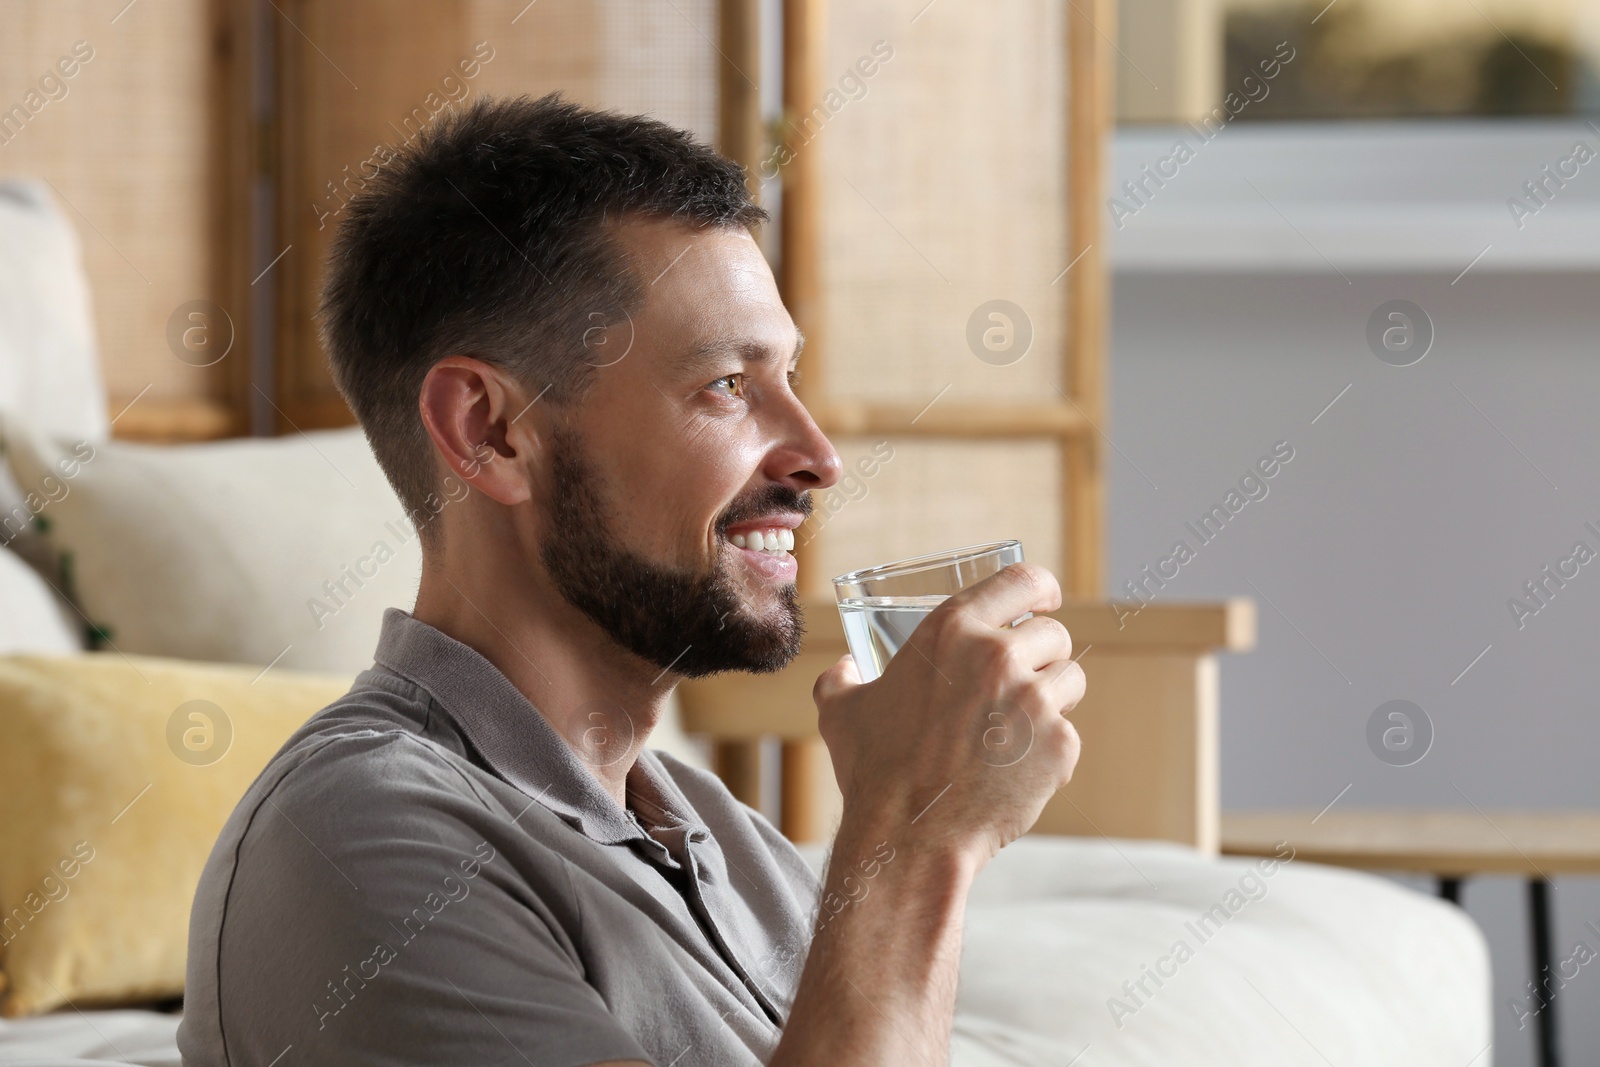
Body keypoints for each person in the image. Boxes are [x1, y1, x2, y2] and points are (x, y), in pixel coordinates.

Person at [179, 92, 1085, 1067]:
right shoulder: (357, 844)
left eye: (789, 376)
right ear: (491, 430)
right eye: (729, 385)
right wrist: (914, 840)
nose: (817, 454)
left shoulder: (726, 842)